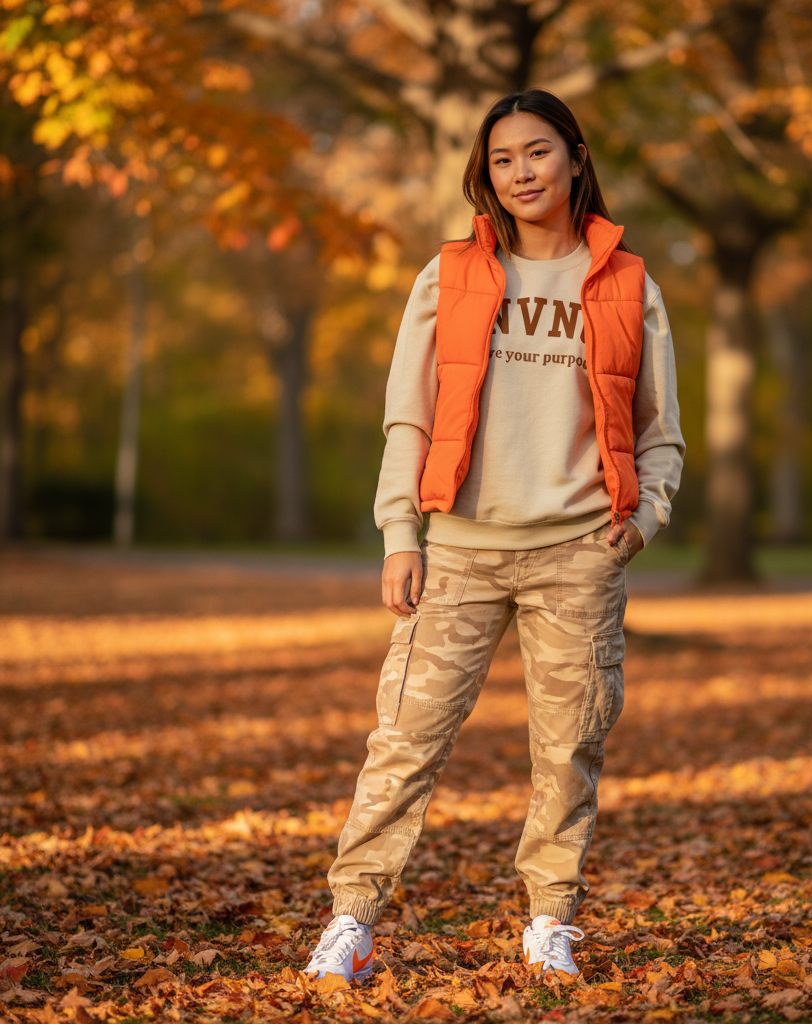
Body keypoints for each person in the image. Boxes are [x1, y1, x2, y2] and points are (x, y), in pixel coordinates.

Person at [303, 89, 684, 983]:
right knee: (404, 740)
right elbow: (410, 415)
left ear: (577, 159)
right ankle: (351, 920)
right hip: (460, 551)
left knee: (569, 750)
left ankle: (550, 920)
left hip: (579, 554)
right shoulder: (450, 276)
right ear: (487, 173)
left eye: (538, 152)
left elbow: (660, 428)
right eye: (503, 159)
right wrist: (400, 533)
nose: (521, 173)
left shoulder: (629, 283)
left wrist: (642, 522)